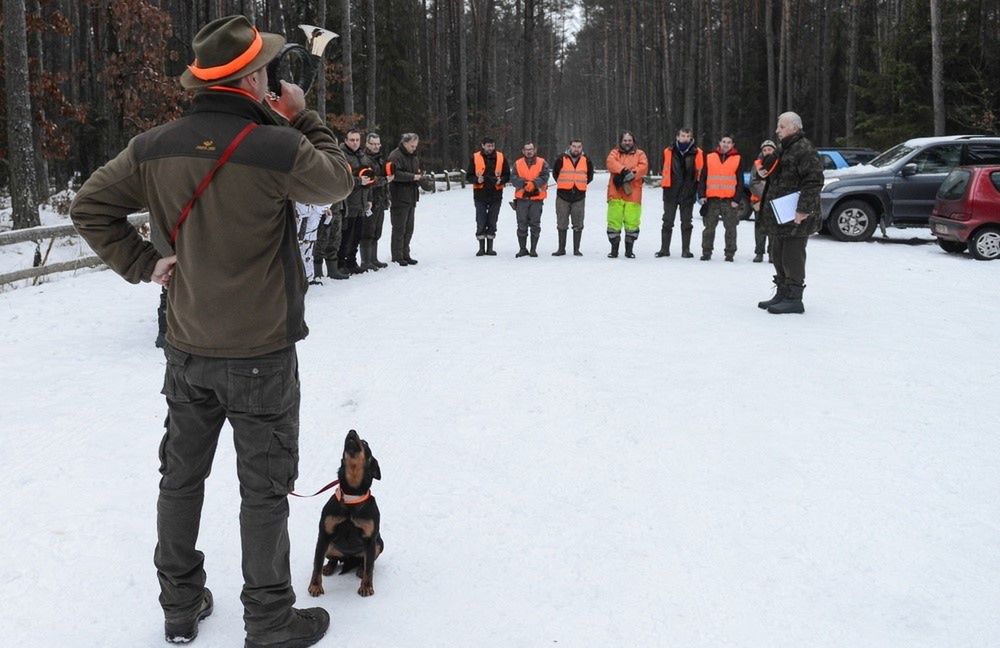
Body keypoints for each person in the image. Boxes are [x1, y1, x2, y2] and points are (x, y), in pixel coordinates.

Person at [69, 15, 353, 648]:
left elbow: (89, 205)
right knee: (264, 489)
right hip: (262, 352)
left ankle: (179, 603)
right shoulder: (278, 145)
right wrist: (303, 116)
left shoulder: (153, 145)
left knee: (180, 478)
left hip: (188, 346)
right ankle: (270, 620)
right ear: (254, 79)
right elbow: (336, 181)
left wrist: (144, 264)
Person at [757, 112, 824, 314]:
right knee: (777, 253)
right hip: (779, 214)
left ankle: (795, 298)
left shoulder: (805, 149)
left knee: (792, 256)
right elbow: (771, 169)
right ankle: (782, 292)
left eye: (782, 126)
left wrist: (803, 210)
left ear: (795, 128)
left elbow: (813, 182)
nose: (777, 130)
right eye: (778, 126)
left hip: (796, 215)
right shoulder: (783, 148)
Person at [655, 127, 704, 258]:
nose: (685, 139)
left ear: (691, 138)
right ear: (677, 137)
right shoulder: (668, 151)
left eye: (688, 136)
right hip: (671, 191)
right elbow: (664, 168)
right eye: (683, 136)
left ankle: (686, 250)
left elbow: (700, 173)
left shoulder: (697, 152)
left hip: (688, 191)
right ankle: (664, 249)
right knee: (667, 221)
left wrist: (698, 190)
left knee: (687, 222)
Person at [700, 135, 746, 261]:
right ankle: (706, 251)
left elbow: (740, 181)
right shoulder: (710, 157)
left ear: (733, 144)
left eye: (729, 142)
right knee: (709, 227)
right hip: (712, 199)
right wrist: (702, 195)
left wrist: (737, 200)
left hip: (729, 200)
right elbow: (703, 178)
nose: (726, 144)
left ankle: (730, 253)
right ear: (719, 143)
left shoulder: (737, 159)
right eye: (724, 141)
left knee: (731, 227)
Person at [605, 131, 649, 258]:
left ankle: (629, 250)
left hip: (633, 194)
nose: (627, 142)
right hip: (615, 193)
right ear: (621, 141)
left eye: (629, 140)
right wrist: (623, 171)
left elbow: (643, 167)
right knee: (614, 222)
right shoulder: (614, 152)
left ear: (633, 141)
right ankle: (614, 249)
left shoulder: (640, 154)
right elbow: (610, 162)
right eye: (625, 140)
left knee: (632, 222)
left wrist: (632, 174)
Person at [466, 137, 510, 256]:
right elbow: (468, 176)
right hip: (480, 194)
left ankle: (490, 248)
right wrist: (476, 179)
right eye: (488, 146)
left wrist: (502, 180)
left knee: (492, 221)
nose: (490, 148)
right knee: (481, 221)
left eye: (492, 146)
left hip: (496, 194)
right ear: (483, 145)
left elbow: (507, 174)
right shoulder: (475, 157)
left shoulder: (501, 157)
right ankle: (481, 248)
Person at [339, 129, 375, 273]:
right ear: (346, 140)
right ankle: (340, 263)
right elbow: (341, 179)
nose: (355, 143)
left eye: (357, 140)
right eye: (352, 140)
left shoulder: (363, 156)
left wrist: (370, 199)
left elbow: (370, 178)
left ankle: (352, 262)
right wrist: (359, 181)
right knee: (345, 236)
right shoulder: (341, 156)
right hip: (347, 202)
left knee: (357, 235)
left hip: (361, 202)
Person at [551, 138, 594, 256]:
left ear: (582, 147)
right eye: (574, 146)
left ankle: (576, 249)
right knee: (562, 223)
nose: (576, 149)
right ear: (569, 147)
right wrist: (565, 185)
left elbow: (589, 176)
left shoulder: (587, 160)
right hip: (562, 196)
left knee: (578, 223)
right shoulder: (561, 158)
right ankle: (561, 249)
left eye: (579, 146)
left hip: (579, 196)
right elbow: (555, 173)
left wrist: (579, 185)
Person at [386, 132, 424, 265]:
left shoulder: (413, 156)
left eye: (415, 146)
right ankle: (397, 256)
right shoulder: (395, 155)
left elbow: (416, 172)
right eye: (412, 146)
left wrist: (420, 178)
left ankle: (405, 253)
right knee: (399, 228)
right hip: (399, 197)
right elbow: (394, 174)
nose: (414, 148)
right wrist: (412, 177)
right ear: (405, 143)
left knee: (409, 228)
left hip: (411, 197)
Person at [510, 141, 551, 258]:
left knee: (535, 224)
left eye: (531, 149)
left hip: (536, 199)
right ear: (523, 151)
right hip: (522, 199)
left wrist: (534, 184)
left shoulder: (542, 162)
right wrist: (523, 184)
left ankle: (533, 249)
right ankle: (522, 249)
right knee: (521, 224)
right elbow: (513, 178)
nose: (529, 151)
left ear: (535, 150)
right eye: (527, 149)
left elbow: (545, 176)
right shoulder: (518, 163)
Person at [360, 132, 389, 271]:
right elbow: (369, 180)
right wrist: (384, 180)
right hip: (370, 199)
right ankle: (366, 261)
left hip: (381, 199)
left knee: (377, 231)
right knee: (368, 231)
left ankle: (374, 258)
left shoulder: (380, 159)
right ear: (367, 144)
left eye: (378, 144)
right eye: (373, 144)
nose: (375, 146)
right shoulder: (364, 159)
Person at [748, 139, 779, 263]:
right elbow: (753, 183)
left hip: (774, 202)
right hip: (759, 201)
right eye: (765, 150)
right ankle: (759, 252)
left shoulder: (778, 163)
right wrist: (766, 194)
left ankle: (772, 253)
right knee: (759, 227)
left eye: (769, 149)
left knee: (773, 228)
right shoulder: (757, 165)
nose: (767, 152)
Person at [295, 202, 330, 284]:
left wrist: (325, 207)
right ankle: (299, 278)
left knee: (309, 244)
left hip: (314, 212)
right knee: (298, 244)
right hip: (301, 210)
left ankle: (308, 277)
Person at [313, 200, 348, 280]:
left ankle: (332, 270)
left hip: (337, 208)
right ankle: (317, 272)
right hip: (324, 209)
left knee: (335, 240)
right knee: (321, 240)